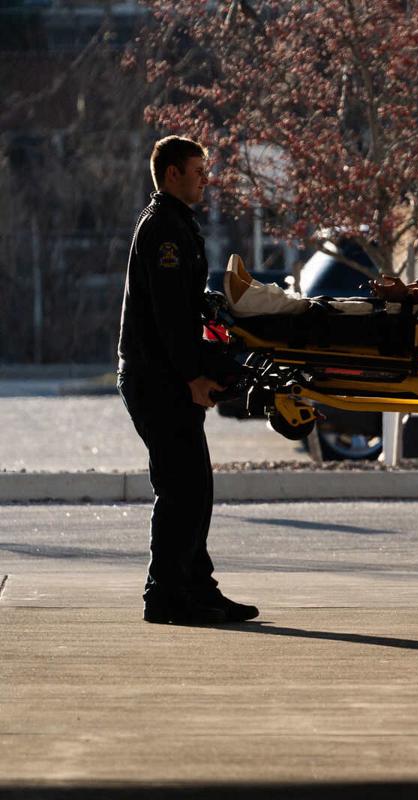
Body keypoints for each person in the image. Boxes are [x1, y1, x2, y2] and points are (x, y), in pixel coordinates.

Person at [116, 135, 258, 625]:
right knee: (181, 488)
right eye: (198, 170)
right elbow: (170, 319)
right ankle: (166, 597)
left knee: (194, 486)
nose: (206, 178)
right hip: (158, 379)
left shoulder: (175, 224)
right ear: (172, 173)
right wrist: (194, 376)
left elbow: (185, 306)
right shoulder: (165, 232)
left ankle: (196, 587)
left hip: (163, 374)